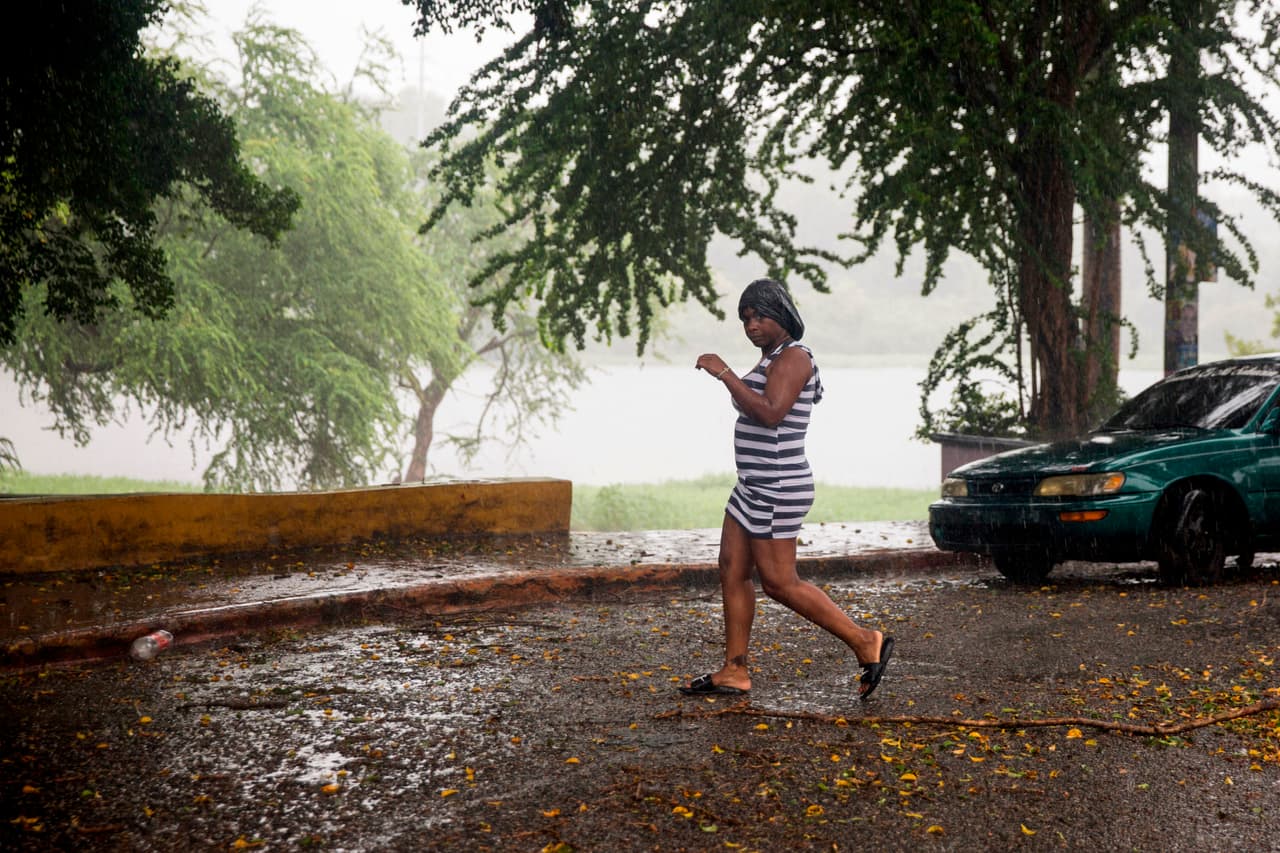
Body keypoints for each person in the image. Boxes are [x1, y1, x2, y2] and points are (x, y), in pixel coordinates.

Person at [680, 278, 894, 701]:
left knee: (779, 582)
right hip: (752, 486)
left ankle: (865, 641)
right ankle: (735, 670)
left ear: (782, 313)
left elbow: (772, 413)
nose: (751, 324)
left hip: (778, 486)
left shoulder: (795, 357)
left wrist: (724, 373)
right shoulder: (772, 359)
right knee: (731, 569)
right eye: (745, 318)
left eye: (759, 315)